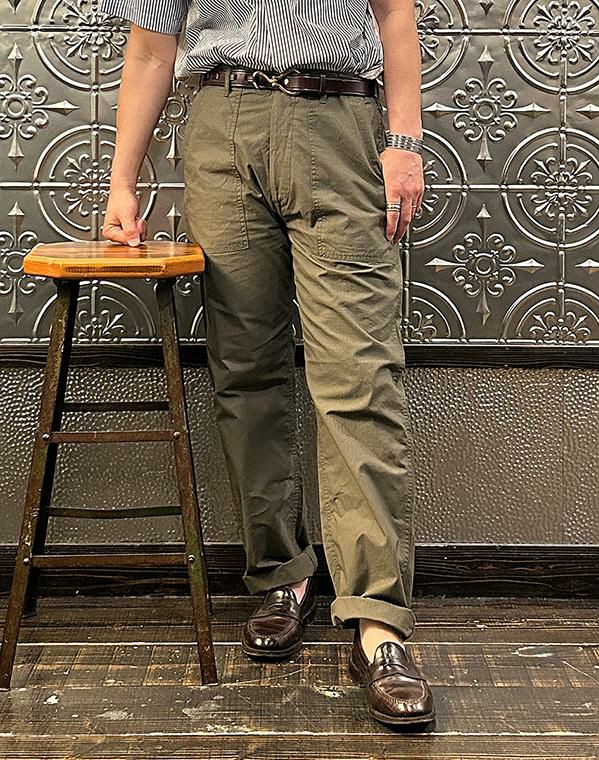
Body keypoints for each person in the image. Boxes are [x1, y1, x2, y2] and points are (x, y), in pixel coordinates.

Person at [100, 0, 434, 729]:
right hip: (220, 125)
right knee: (245, 372)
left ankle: (378, 624)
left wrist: (405, 140)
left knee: (359, 377)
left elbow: (395, 10)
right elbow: (152, 47)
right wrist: (123, 180)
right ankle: (283, 574)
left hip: (338, 122)